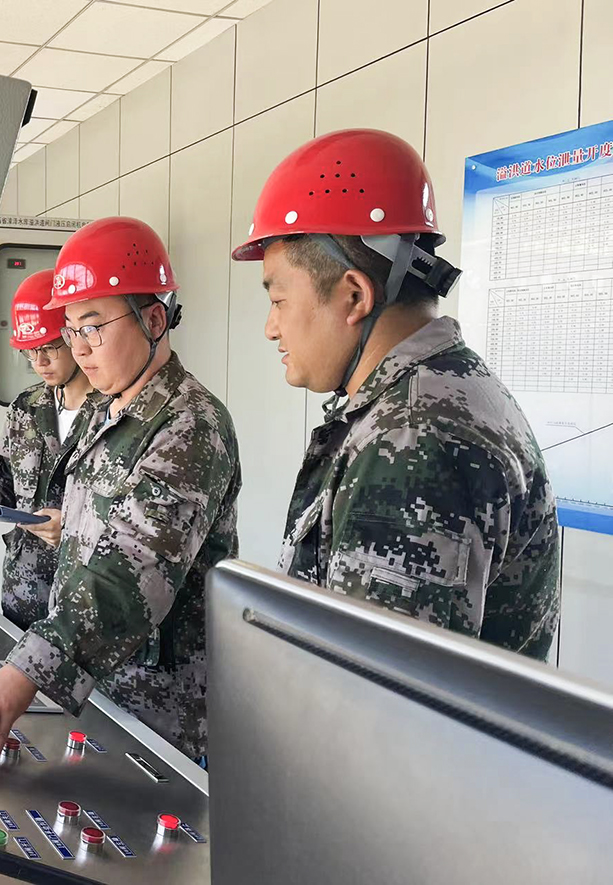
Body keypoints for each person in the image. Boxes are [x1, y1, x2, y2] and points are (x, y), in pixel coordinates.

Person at [232, 128, 560, 659]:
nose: (271, 328)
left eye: (278, 299)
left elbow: (372, 690)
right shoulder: (448, 389)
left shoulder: (412, 440)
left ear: (354, 295)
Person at [0, 217, 241, 765]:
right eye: (71, 330)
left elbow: (130, 569)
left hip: (159, 706)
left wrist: (28, 668)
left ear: (153, 319)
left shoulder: (190, 424)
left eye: (92, 328)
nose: (79, 348)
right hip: (94, 683)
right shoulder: (105, 411)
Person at [0, 269, 96, 630]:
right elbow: (3, 480)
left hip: (83, 604)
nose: (39, 363)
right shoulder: (27, 407)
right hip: (23, 593)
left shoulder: (112, 412)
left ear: (74, 336)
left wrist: (73, 528)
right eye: (29, 352)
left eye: (49, 348)